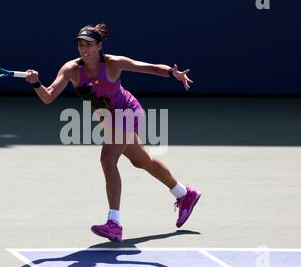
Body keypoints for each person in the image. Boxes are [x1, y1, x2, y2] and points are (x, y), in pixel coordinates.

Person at [25, 23, 201, 242]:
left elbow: (147, 67)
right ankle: (184, 194)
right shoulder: (71, 69)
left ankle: (114, 223)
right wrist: (36, 83)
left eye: (88, 44)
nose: (83, 49)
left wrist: (171, 73)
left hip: (128, 113)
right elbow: (48, 96)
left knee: (108, 160)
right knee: (142, 161)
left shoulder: (112, 64)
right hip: (109, 121)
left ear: (99, 45)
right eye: (80, 44)